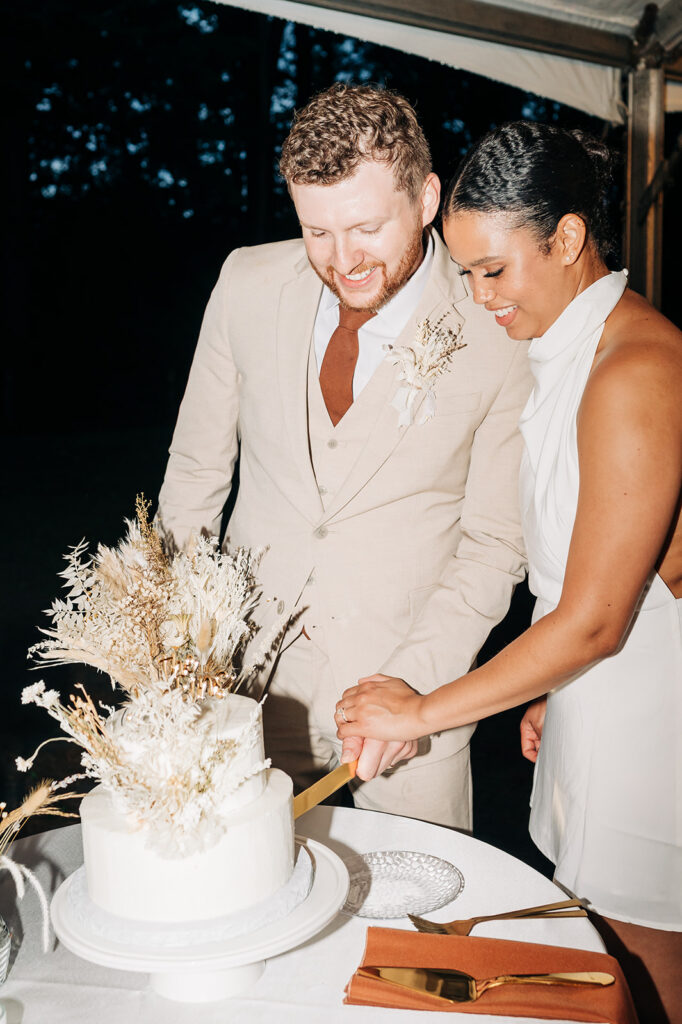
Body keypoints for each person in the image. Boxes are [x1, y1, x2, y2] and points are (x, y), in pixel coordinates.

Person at [335, 121, 682, 1021]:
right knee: (601, 977)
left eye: (496, 270)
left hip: (656, 749)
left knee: (644, 989)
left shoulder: (634, 368)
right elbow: (580, 577)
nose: (481, 297)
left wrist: (418, 709)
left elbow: (601, 621)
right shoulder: (568, 351)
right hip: (602, 717)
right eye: (467, 273)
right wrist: (549, 689)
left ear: (567, 239)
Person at [158, 84, 532, 830]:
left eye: (365, 228)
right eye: (317, 232)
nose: (342, 260)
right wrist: (179, 654)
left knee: (414, 934)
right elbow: (196, 478)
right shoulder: (246, 283)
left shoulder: (500, 327)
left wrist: (414, 692)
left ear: (427, 200)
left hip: (411, 708)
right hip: (250, 693)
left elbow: (495, 546)